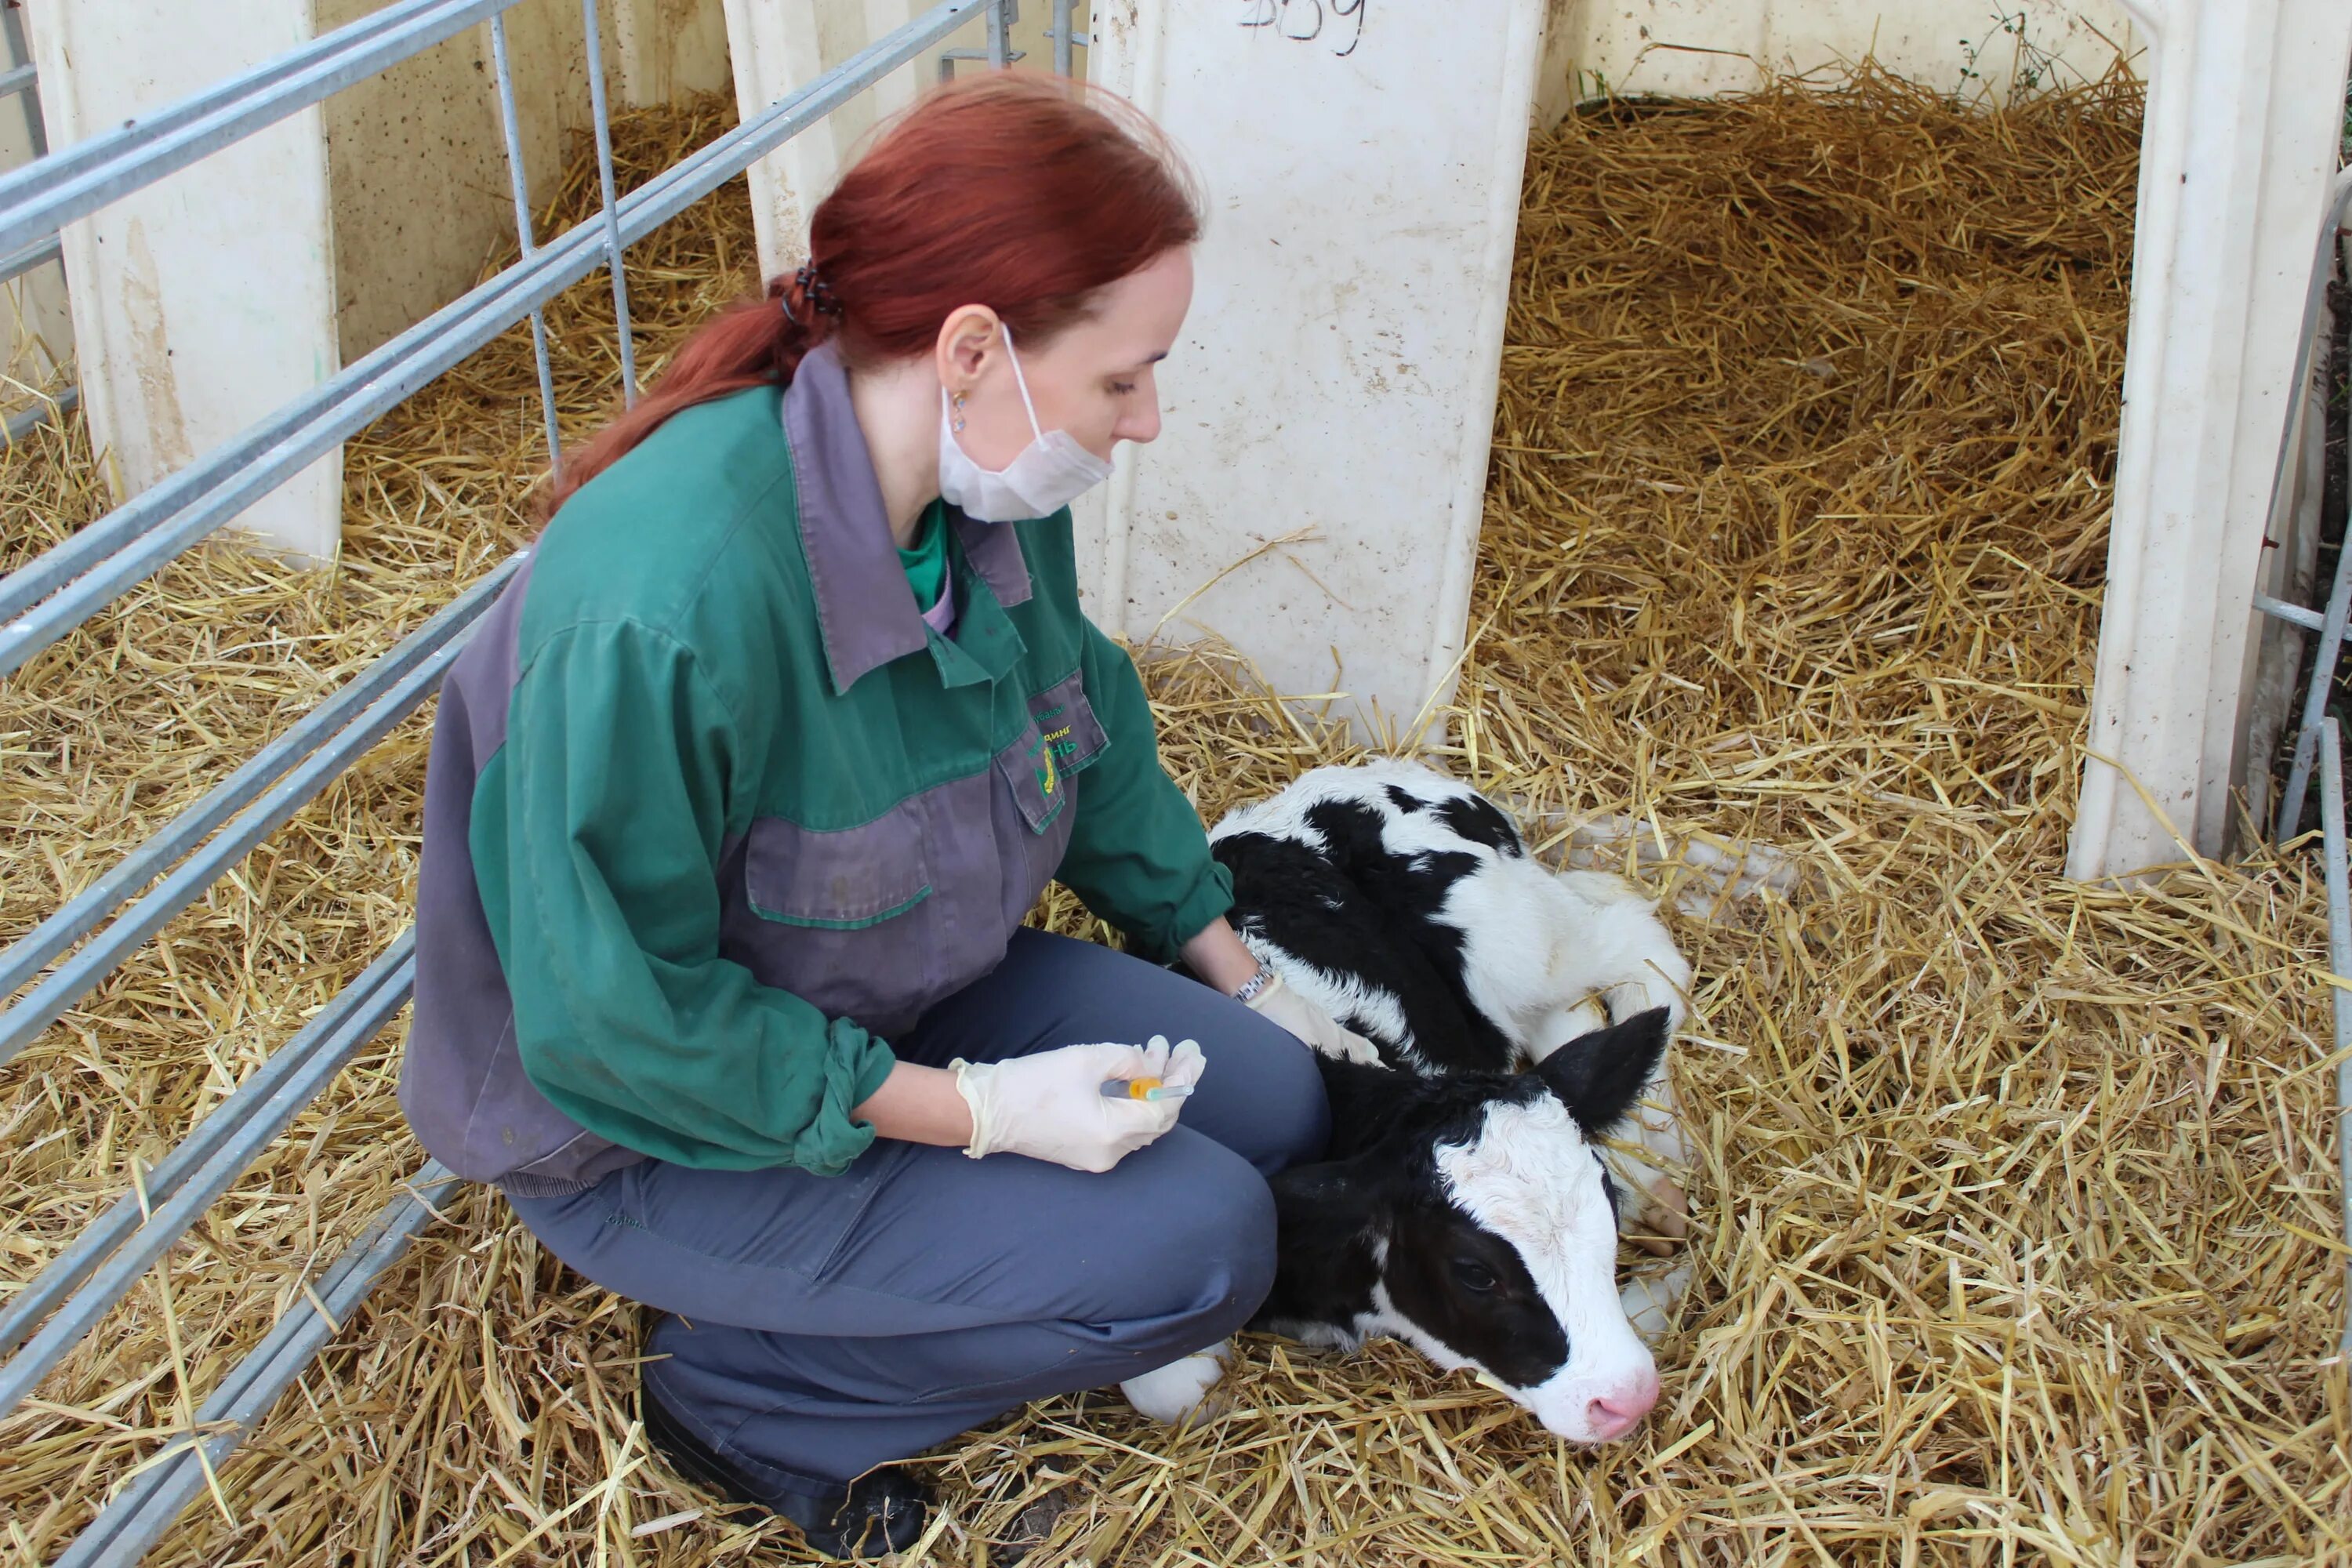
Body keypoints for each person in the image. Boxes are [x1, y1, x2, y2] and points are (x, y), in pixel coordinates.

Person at [397, 74, 1374, 1559]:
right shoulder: (664, 610)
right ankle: (745, 1394)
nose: (1149, 420)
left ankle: (904, 1242)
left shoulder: (987, 496)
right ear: (973, 348)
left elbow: (1085, 734)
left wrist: (1247, 977)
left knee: (1277, 1105)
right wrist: (979, 1116)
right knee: (1204, 1250)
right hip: (653, 1129)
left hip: (897, 984)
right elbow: (617, 1028)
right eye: (1125, 377)